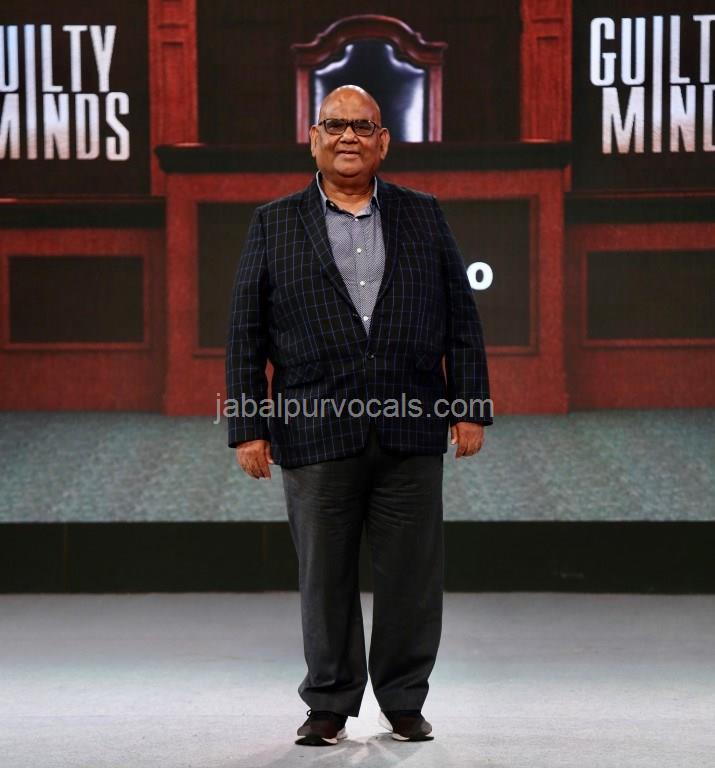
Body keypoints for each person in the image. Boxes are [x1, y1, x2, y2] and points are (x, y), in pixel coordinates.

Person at [226, 85, 492, 746]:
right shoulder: (273, 222)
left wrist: (469, 408)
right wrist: (247, 425)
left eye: (362, 126)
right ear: (314, 139)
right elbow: (245, 333)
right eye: (335, 125)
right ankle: (328, 702)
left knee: (412, 578)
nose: (348, 136)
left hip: (410, 425)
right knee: (324, 578)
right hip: (313, 426)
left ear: (382, 142)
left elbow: (461, 319)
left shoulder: (423, 214)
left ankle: (403, 700)